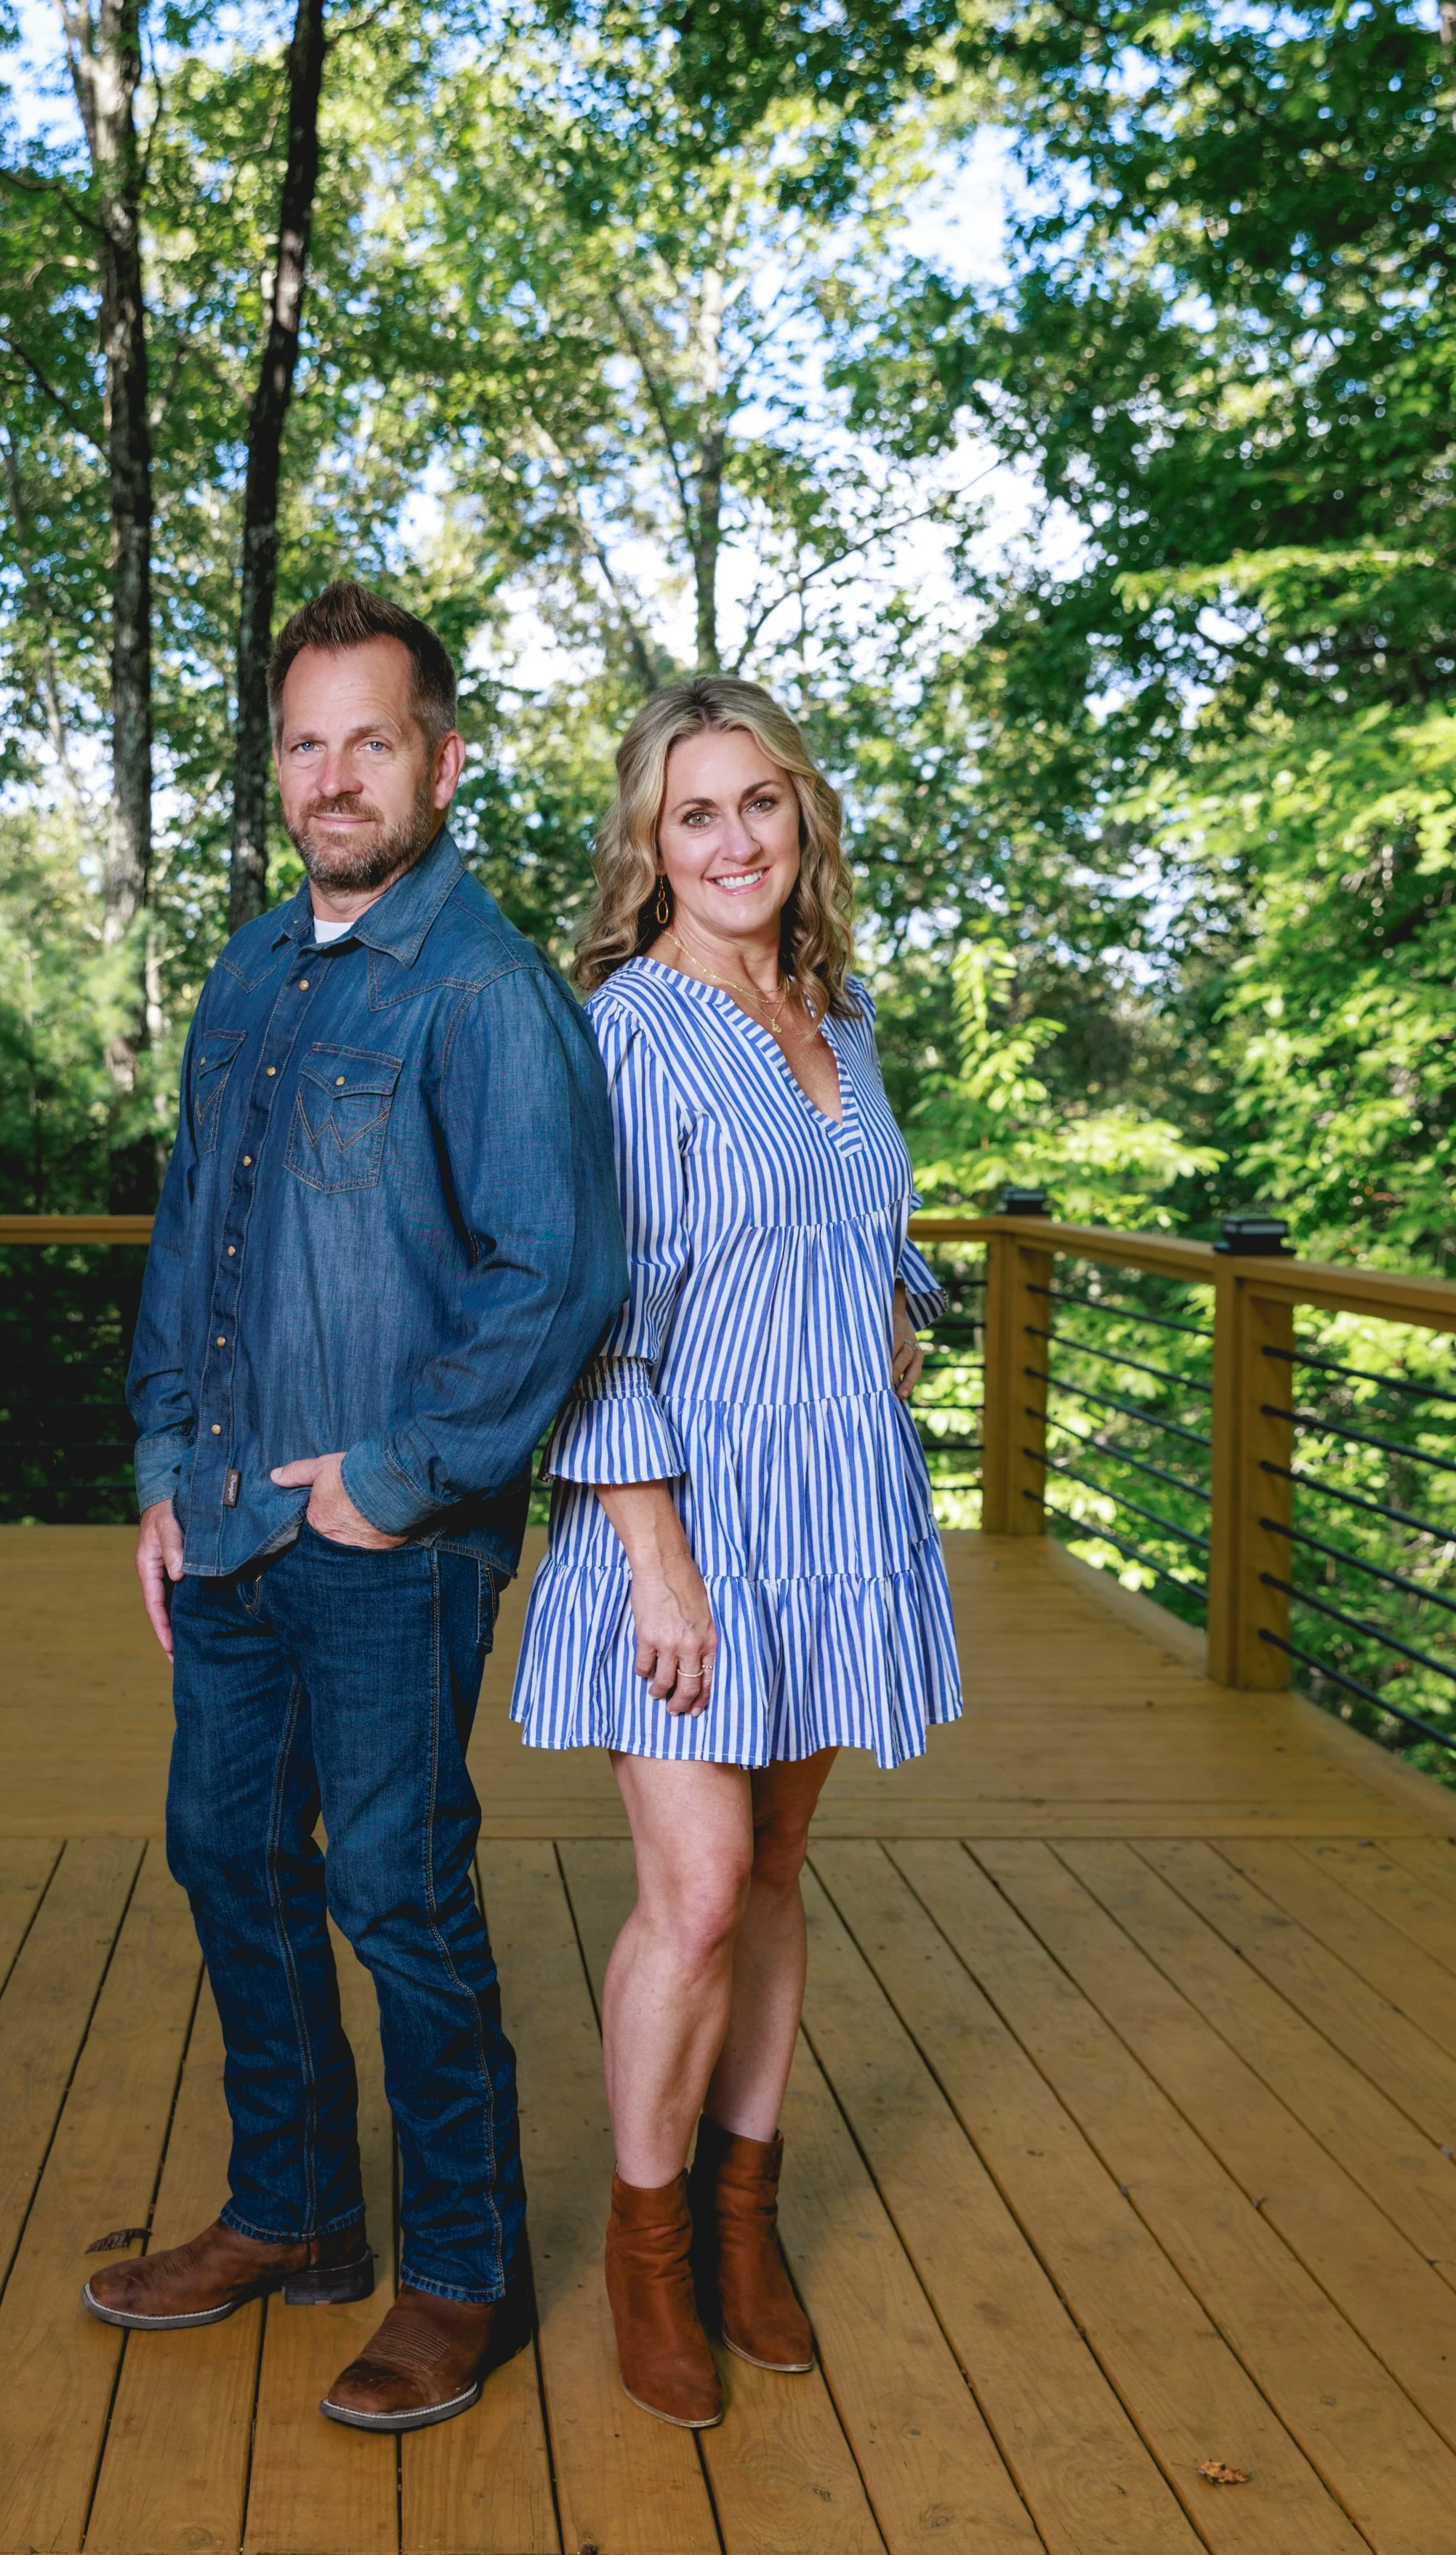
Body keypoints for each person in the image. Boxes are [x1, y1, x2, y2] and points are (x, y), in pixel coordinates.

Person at [87, 582, 627, 2435]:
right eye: (303, 743)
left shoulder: (482, 993)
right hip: (226, 1523)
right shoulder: (248, 970)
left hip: (388, 1543)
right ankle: (290, 2212)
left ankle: (457, 2272)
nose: (332, 777)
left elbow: (558, 1275)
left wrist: (395, 1485)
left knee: (395, 1893)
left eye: (367, 741)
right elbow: (189, 1249)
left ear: (440, 758)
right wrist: (163, 1472)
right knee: (229, 1862)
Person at [512, 675, 960, 2429]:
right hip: (684, 1518)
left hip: (838, 1509)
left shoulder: (832, 1018)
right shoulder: (623, 1036)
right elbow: (593, 1319)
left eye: (757, 803)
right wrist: (653, 1555)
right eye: (692, 813)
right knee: (692, 1893)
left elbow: (864, 1227)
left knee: (773, 1874)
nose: (731, 840)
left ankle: (743, 2216)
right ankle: (644, 2251)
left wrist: (904, 1311)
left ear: (800, 819)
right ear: (647, 844)